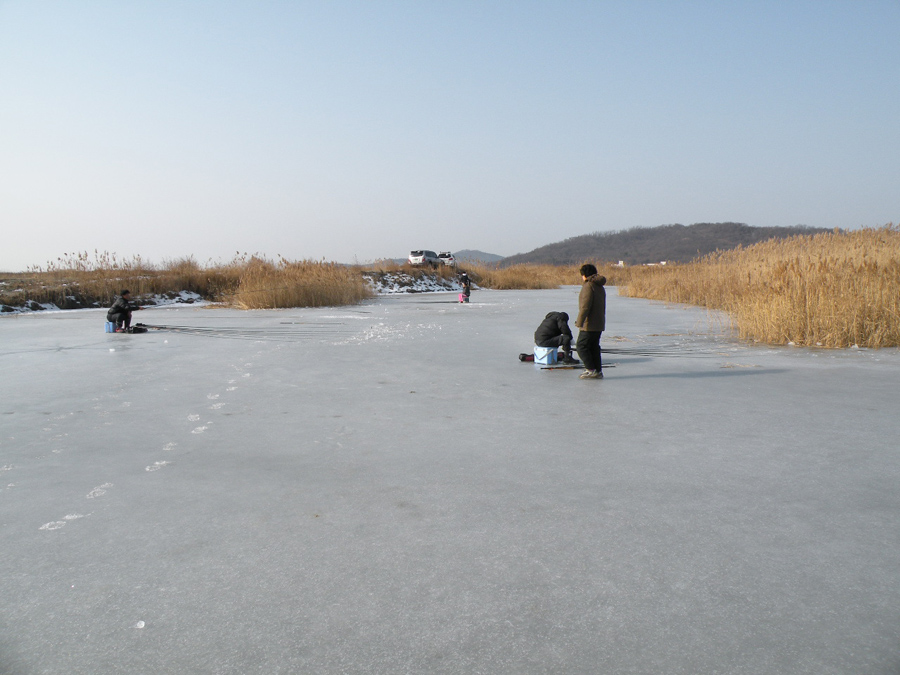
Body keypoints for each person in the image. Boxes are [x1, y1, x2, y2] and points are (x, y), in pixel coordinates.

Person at [574, 264, 606, 379]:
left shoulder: (588, 286)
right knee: (593, 347)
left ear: (584, 275)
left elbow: (585, 307)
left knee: (581, 346)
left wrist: (579, 322)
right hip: (599, 323)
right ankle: (597, 370)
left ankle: (591, 370)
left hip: (589, 324)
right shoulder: (599, 285)